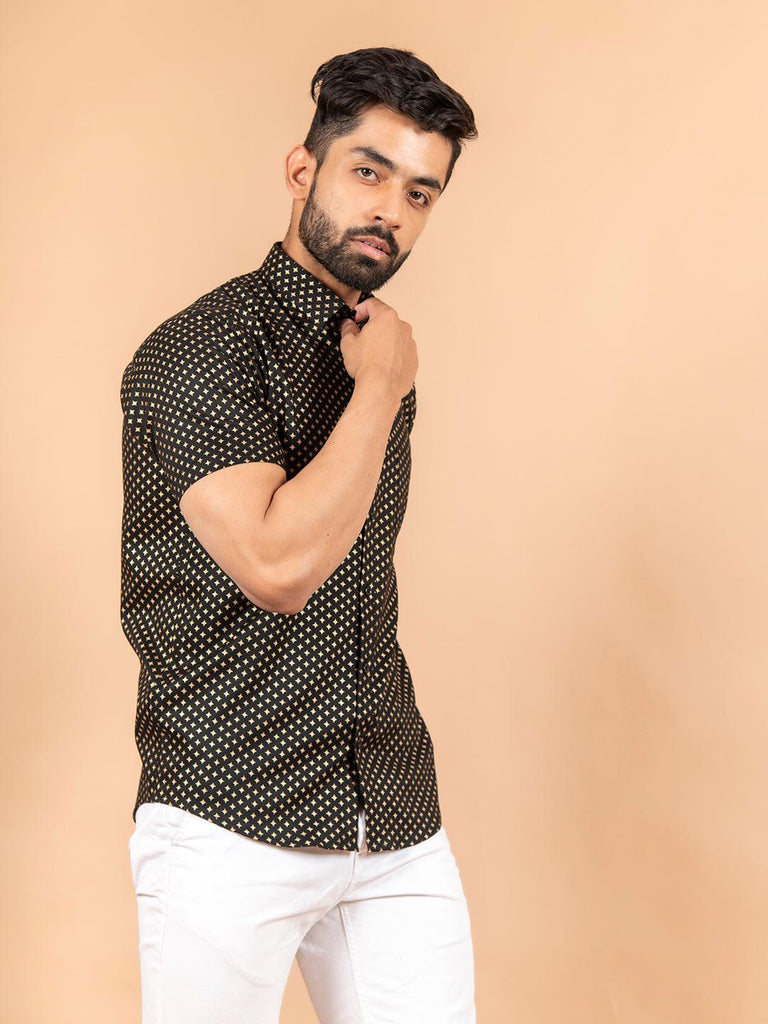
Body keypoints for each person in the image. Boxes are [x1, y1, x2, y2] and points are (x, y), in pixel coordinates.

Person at [120, 45, 478, 1023]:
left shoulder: (376, 353)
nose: (390, 210)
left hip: (390, 814)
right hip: (229, 812)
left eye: (420, 193)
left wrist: (379, 380)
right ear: (301, 170)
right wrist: (380, 391)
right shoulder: (202, 351)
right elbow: (278, 566)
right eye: (368, 172)